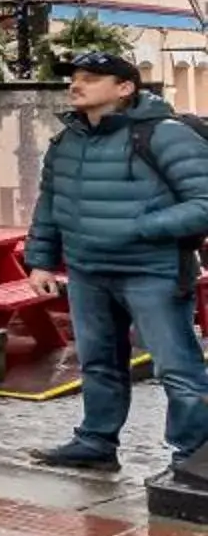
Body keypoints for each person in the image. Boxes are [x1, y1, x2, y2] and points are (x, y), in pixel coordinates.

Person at [24, 51, 208, 479]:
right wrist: (41, 262)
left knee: (177, 368)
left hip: (154, 272)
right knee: (98, 362)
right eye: (74, 77)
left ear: (125, 88)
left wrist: (140, 227)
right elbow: (50, 204)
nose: (76, 84)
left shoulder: (165, 136)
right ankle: (96, 442)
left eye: (90, 77)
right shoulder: (67, 140)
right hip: (89, 272)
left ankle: (195, 458)